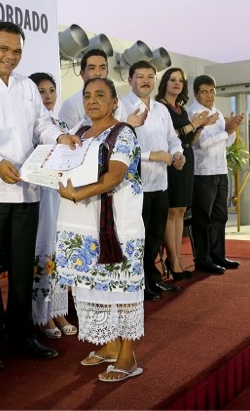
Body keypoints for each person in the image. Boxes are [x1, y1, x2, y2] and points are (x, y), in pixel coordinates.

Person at [0, 21, 81, 370]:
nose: (11, 56)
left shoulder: (26, 87)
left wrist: (59, 138)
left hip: (27, 191)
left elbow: (42, 125)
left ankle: (23, 334)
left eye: (17, 51)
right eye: (4, 48)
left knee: (23, 269)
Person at [56, 76, 144, 382]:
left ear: (115, 102)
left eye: (100, 95)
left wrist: (77, 193)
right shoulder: (78, 131)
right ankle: (109, 345)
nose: (92, 100)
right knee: (92, 286)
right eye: (88, 95)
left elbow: (114, 177)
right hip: (82, 225)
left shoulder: (124, 133)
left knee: (123, 287)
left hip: (118, 227)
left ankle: (128, 356)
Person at [121, 61, 185, 302]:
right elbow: (120, 145)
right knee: (139, 236)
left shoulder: (160, 109)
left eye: (150, 76)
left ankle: (153, 277)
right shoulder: (122, 107)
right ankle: (140, 283)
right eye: (140, 76)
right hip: (136, 185)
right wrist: (151, 156)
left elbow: (172, 139)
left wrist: (178, 154)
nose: (146, 80)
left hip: (161, 182)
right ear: (130, 80)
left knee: (156, 235)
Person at [28, 72, 77, 339]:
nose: (47, 96)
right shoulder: (32, 124)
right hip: (40, 195)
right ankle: (41, 315)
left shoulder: (58, 123)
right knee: (44, 251)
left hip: (60, 194)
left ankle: (58, 310)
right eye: (41, 92)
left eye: (51, 90)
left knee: (59, 253)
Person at [155, 68, 217, 280]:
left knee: (180, 211)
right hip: (171, 163)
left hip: (186, 160)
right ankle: (173, 261)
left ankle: (179, 259)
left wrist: (200, 127)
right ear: (164, 82)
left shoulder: (180, 108)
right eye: (172, 80)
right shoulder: (159, 107)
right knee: (170, 212)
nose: (176, 84)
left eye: (180, 81)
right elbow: (170, 136)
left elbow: (188, 139)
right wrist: (194, 124)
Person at [188, 75, 243, 274]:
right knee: (203, 218)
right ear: (196, 93)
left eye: (212, 91)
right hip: (202, 172)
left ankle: (218, 255)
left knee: (220, 216)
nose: (210, 95)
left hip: (220, 170)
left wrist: (232, 129)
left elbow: (226, 142)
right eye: (204, 91)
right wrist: (225, 131)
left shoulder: (218, 113)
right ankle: (203, 259)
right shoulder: (194, 113)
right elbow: (201, 143)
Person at [57, 48, 147, 129]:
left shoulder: (117, 102)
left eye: (102, 68)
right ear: (82, 73)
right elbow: (74, 143)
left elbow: (123, 137)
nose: (98, 73)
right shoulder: (71, 105)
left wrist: (128, 126)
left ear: (107, 72)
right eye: (92, 68)